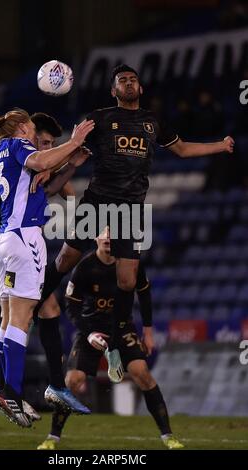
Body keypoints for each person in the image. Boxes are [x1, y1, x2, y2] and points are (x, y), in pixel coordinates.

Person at [34, 64, 235, 384]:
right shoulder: (98, 118)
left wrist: (220, 146)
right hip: (98, 202)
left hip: (131, 211)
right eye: (122, 81)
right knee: (65, 260)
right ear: (114, 91)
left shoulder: (152, 122)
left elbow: (182, 149)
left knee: (127, 281)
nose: (128, 83)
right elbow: (73, 146)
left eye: (133, 80)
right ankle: (32, 308)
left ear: (140, 89)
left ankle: (114, 344)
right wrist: (49, 167)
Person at [0, 112, 90, 417]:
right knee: (22, 317)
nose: (37, 139)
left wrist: (65, 163)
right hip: (23, 238)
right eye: (34, 132)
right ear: (23, 128)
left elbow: (49, 175)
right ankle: (12, 393)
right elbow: (39, 163)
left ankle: (8, 390)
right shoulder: (19, 147)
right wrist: (74, 143)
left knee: (9, 316)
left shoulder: (3, 152)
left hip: (4, 239)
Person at [37, 228, 183, 450]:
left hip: (122, 329)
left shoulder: (131, 263)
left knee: (142, 374)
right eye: (102, 234)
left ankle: (168, 436)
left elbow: (144, 294)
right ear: (95, 238)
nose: (107, 237)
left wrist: (149, 332)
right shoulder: (85, 267)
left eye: (111, 233)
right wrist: (89, 334)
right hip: (91, 329)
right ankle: (52, 437)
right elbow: (72, 306)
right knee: (73, 381)